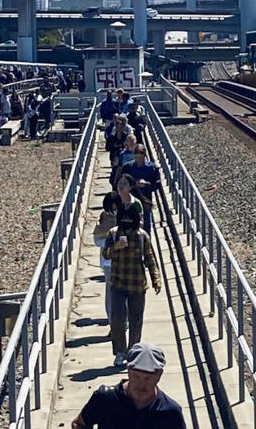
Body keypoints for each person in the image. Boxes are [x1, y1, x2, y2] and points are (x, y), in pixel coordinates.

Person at [102, 174, 162, 367]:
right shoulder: (113, 234)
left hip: (137, 284)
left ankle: (132, 352)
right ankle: (119, 351)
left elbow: (150, 258)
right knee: (118, 320)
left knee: (136, 321)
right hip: (118, 283)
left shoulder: (142, 236)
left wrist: (156, 279)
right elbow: (105, 254)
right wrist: (115, 248)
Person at [71, 342, 186, 429]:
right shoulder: (104, 398)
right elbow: (78, 424)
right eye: (136, 377)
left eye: (147, 378)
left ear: (159, 375)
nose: (141, 385)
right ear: (128, 371)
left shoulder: (171, 412)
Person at [93, 193, 120, 332]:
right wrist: (110, 239)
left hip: (124, 260)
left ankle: (122, 322)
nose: (114, 210)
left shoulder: (126, 216)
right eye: (111, 208)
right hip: (109, 262)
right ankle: (112, 323)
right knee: (111, 293)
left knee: (124, 293)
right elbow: (97, 240)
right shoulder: (103, 218)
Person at [120, 144, 161, 235]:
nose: (139, 160)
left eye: (141, 158)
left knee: (146, 225)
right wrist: (134, 184)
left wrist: (147, 184)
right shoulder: (127, 167)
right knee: (129, 223)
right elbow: (121, 182)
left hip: (145, 200)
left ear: (144, 156)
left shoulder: (152, 167)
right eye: (137, 157)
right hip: (130, 200)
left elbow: (157, 184)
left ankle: (146, 244)